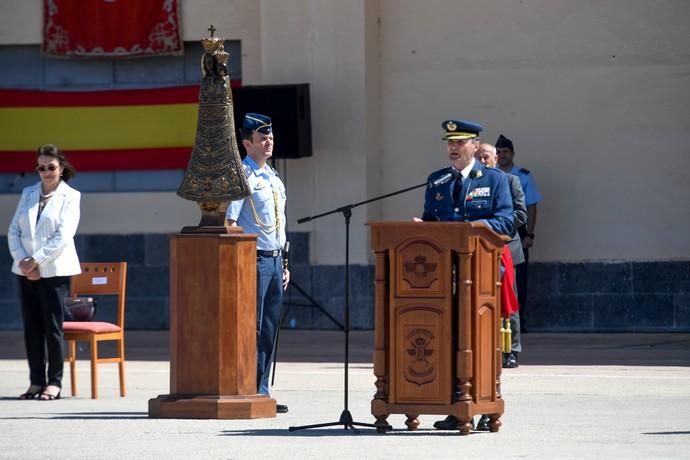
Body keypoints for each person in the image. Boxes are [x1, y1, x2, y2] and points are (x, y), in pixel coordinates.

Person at [419, 120, 513, 431]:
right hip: (443, 276)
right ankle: (454, 405)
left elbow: (506, 224)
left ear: (475, 145)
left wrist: (470, 230)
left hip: (482, 276)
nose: (453, 148)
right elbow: (432, 222)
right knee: (450, 340)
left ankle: (485, 402)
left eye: (460, 142)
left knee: (480, 340)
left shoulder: (496, 180)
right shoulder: (437, 181)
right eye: (450, 143)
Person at [225, 113, 290, 414]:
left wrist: (285, 262)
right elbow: (230, 221)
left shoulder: (274, 178)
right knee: (252, 327)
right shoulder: (243, 177)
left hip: (275, 262)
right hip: (255, 261)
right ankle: (247, 387)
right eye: (262, 138)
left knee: (268, 328)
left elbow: (280, 225)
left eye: (271, 137)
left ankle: (262, 390)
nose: (268, 142)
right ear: (246, 142)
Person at [8, 144, 81, 401]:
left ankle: (54, 383)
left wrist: (36, 261)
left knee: (52, 328)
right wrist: (23, 262)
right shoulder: (28, 193)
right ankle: (35, 382)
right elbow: (14, 230)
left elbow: (63, 236)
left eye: (51, 167)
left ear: (61, 169)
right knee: (32, 328)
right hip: (24, 270)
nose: (46, 172)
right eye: (41, 168)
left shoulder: (71, 196)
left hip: (55, 270)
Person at [477, 143, 526, 369]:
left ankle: (511, 349)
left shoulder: (510, 180)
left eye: (486, 157)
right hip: (477, 249)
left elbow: (520, 214)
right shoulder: (473, 183)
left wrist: (495, 229)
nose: (482, 160)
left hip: (504, 248)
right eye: (478, 157)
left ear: (496, 159)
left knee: (508, 301)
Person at [496, 134, 542, 332]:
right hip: (495, 228)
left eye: (505, 152)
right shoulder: (491, 175)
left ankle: (518, 320)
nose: (502, 155)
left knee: (519, 279)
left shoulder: (522, 176)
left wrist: (529, 235)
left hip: (517, 230)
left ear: (512, 154)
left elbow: (530, 206)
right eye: (498, 152)